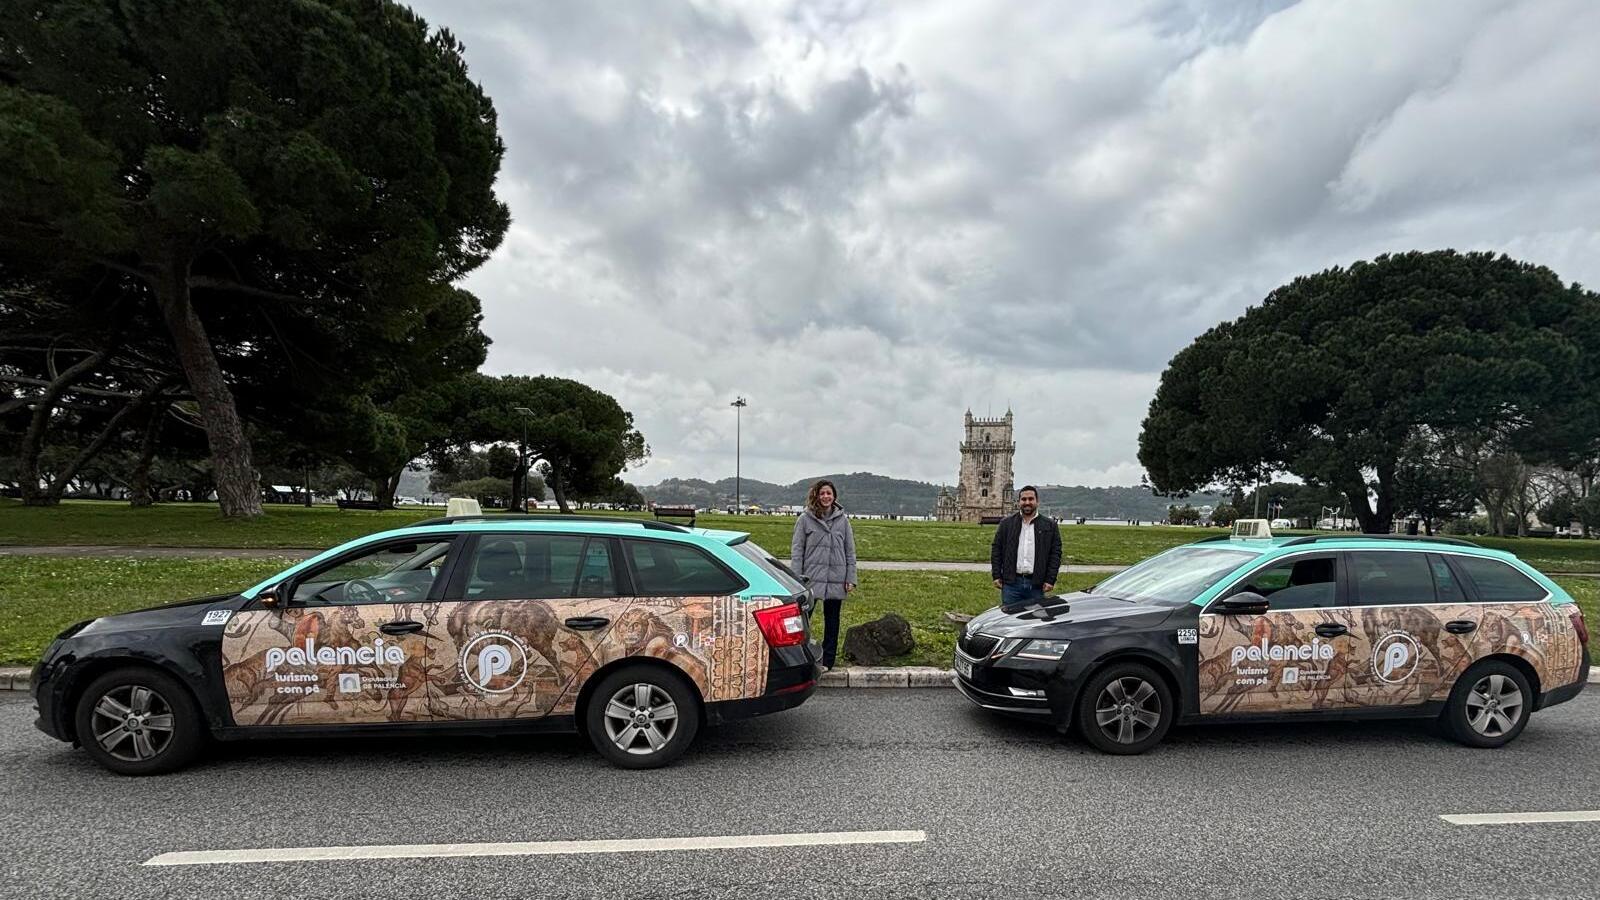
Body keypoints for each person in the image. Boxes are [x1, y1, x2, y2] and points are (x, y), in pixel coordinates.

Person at [790, 479, 857, 671]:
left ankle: (828, 660)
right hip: (811, 578)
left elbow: (850, 551)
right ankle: (799, 657)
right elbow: (797, 550)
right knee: (803, 619)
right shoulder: (805, 519)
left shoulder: (843, 520)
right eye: (822, 493)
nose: (826, 497)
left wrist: (850, 578)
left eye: (829, 493)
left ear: (834, 496)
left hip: (836, 577)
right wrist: (796, 578)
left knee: (832, 619)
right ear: (816, 496)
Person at [990, 485, 1062, 607]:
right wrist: (996, 575)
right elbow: (996, 549)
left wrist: (1050, 579)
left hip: (1036, 584)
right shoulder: (1006, 524)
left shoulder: (1050, 525)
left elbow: (1055, 554)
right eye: (1023, 499)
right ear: (1019, 502)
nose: (1027, 502)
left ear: (1037, 501)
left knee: (1035, 621)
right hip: (1011, 584)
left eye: (1030, 499)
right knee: (1010, 622)